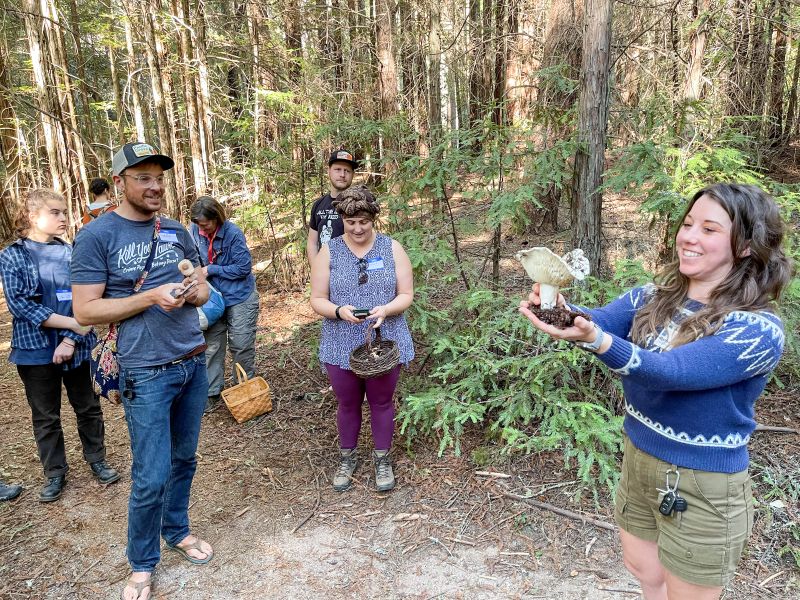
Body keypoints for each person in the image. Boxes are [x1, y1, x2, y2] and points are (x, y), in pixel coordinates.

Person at [519, 183, 792, 600]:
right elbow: (600, 321)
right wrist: (558, 308)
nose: (690, 237)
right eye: (687, 224)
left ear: (746, 247)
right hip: (640, 459)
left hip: (703, 482)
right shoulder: (653, 296)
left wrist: (597, 341)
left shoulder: (757, 330)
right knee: (646, 574)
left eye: (709, 229)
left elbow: (672, 372)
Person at [71, 142, 213, 600]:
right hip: (144, 371)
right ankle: (142, 562)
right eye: (143, 178)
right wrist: (150, 297)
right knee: (150, 474)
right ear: (119, 183)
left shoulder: (176, 230)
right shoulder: (96, 236)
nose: (155, 186)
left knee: (184, 459)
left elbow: (204, 291)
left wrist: (194, 293)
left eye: (159, 177)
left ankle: (177, 530)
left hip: (191, 360)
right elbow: (86, 310)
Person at [0, 189, 120, 503]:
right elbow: (21, 305)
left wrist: (71, 338)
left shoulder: (73, 252)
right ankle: (55, 473)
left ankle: (97, 459)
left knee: (88, 407)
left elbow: (89, 299)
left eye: (64, 211)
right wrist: (70, 324)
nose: (64, 218)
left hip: (78, 347)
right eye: (55, 212)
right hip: (34, 349)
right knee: (45, 416)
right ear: (32, 216)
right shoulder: (13, 255)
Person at [310, 186, 414, 492]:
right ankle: (348, 456)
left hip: (385, 339)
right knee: (347, 403)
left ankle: (382, 459)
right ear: (343, 218)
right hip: (340, 341)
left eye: (364, 221)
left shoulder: (392, 248)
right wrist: (339, 310)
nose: (357, 228)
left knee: (382, 402)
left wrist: (387, 308)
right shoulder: (329, 251)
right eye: (351, 221)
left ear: (373, 219)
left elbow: (407, 294)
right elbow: (316, 299)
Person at [189, 196, 259, 412]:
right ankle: (211, 393)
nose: (202, 228)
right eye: (199, 224)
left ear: (216, 218)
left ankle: (246, 393)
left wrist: (212, 269)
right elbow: (193, 259)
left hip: (240, 297)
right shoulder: (193, 231)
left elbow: (243, 268)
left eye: (206, 224)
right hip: (212, 299)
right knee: (211, 346)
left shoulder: (233, 233)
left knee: (240, 344)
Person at [307, 149, 357, 263]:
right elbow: (312, 243)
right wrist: (316, 269)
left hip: (351, 271)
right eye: (338, 169)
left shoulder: (359, 203)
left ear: (353, 175)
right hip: (325, 271)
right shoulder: (318, 205)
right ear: (329, 171)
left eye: (347, 171)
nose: (342, 174)